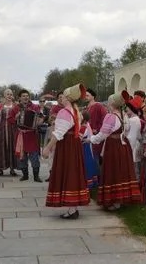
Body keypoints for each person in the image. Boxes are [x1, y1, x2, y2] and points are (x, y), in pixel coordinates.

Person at [87, 91, 141, 211]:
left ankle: (115, 201)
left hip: (113, 146)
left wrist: (91, 139)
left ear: (111, 103)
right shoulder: (124, 115)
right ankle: (121, 199)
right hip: (123, 145)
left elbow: (102, 134)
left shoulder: (110, 116)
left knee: (113, 172)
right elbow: (126, 130)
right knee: (121, 171)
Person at [43, 83, 90, 219]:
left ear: (68, 99)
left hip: (67, 146)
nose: (61, 98)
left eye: (63, 96)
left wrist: (47, 148)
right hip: (73, 145)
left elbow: (59, 133)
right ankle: (73, 207)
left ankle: (72, 208)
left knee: (69, 173)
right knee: (73, 173)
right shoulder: (76, 111)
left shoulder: (65, 112)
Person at [8, 90, 42, 182]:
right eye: (23, 96)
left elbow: (40, 117)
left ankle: (36, 176)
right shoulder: (15, 108)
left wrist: (40, 119)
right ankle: (25, 175)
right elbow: (9, 119)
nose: (26, 97)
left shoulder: (35, 107)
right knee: (22, 158)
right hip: (21, 135)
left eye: (27, 96)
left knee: (34, 156)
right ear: (19, 98)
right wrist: (16, 117)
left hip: (32, 135)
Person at [0, 89, 19, 177]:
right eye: (7, 94)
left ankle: (12, 169)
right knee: (1, 147)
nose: (9, 95)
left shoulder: (16, 105)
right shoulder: (1, 106)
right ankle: (0, 169)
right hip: (2, 128)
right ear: (4, 95)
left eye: (10, 94)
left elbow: (18, 118)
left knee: (12, 146)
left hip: (12, 128)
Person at [85, 88, 108, 169]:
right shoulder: (87, 107)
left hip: (96, 135)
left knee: (96, 158)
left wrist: (98, 129)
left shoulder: (99, 106)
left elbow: (105, 119)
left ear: (93, 96)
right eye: (85, 95)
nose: (85, 97)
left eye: (87, 95)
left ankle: (98, 179)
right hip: (88, 135)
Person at [125, 96, 142, 180]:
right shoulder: (133, 119)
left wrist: (128, 150)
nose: (126, 109)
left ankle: (136, 186)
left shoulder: (134, 120)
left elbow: (132, 136)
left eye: (127, 107)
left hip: (133, 147)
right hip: (134, 145)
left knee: (134, 168)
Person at [80, 111, 98, 188]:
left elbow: (79, 138)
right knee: (88, 162)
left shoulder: (83, 127)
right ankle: (91, 181)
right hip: (86, 146)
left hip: (84, 147)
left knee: (86, 163)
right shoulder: (86, 126)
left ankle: (87, 181)